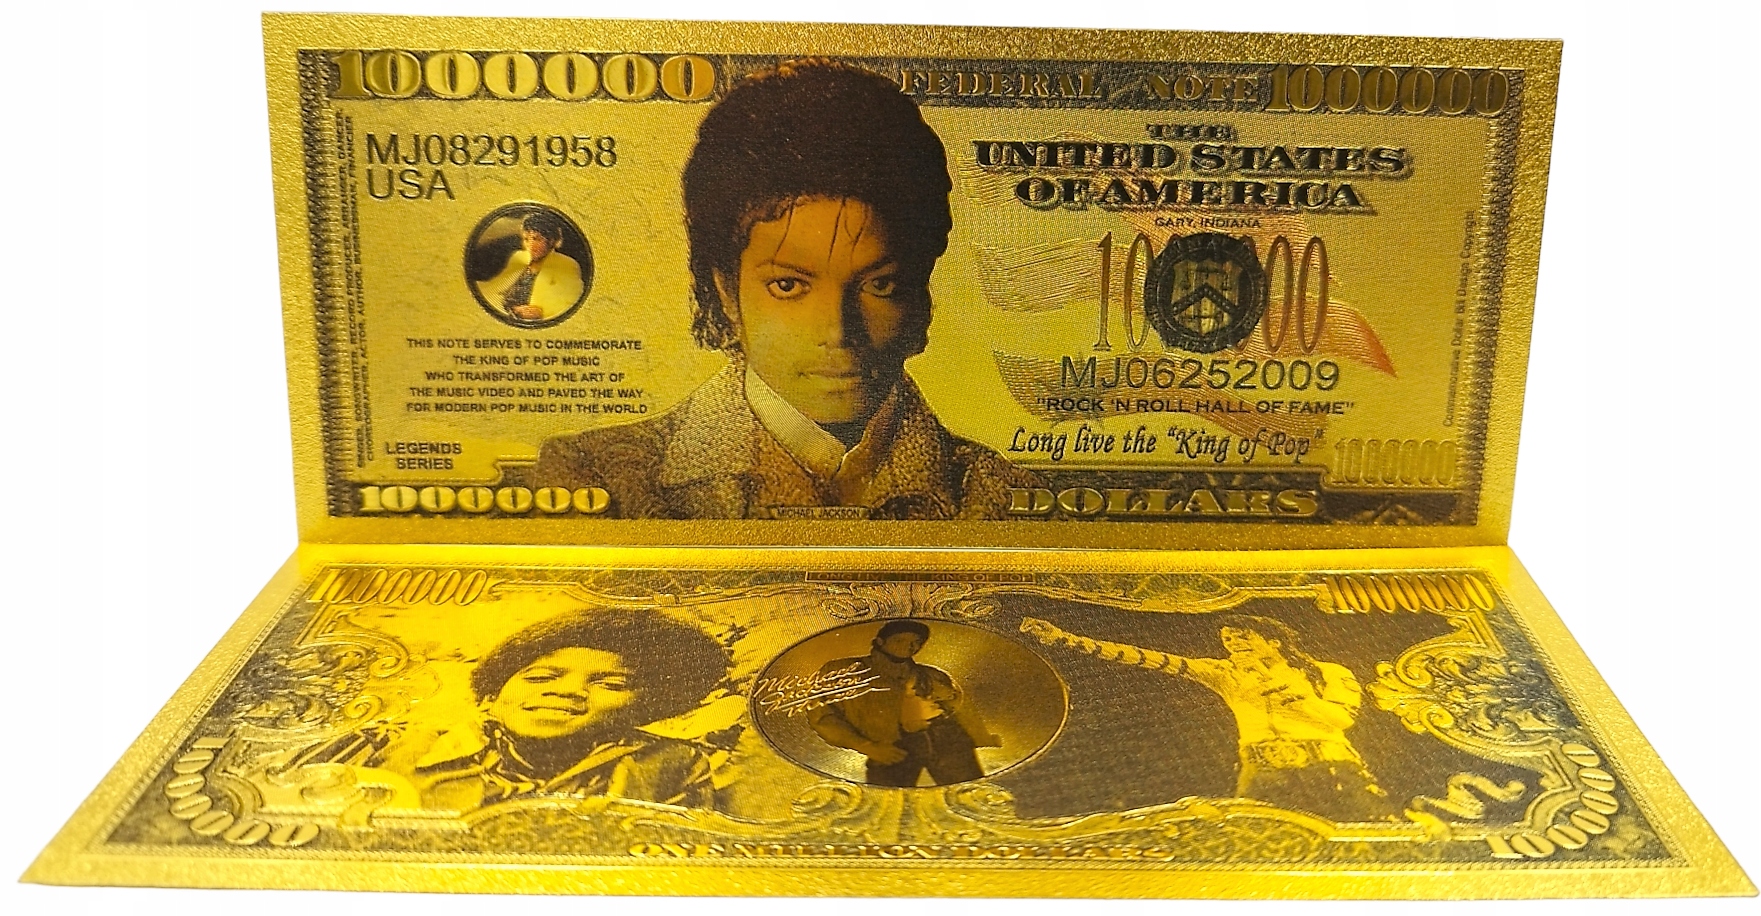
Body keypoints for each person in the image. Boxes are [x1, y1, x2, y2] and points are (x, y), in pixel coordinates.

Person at [532, 60, 1039, 519]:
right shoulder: (593, 477)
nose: (838, 332)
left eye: (879, 284)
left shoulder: (1006, 495)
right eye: (789, 285)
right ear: (725, 291)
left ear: (920, 292)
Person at [326, 610, 732, 812]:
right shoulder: (381, 745)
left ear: (639, 710)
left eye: (610, 684)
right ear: (492, 696)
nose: (568, 691)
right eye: (540, 677)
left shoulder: (674, 764)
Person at [1020, 613, 1395, 821]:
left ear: (1274, 641)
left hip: (1331, 765)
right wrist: (1066, 638)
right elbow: (1148, 658)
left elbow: (1340, 720)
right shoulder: (1224, 672)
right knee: (1253, 843)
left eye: (1243, 637)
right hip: (1263, 770)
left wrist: (1290, 694)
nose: (1233, 644)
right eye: (1229, 640)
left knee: (1371, 830)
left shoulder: (1327, 672)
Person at [806, 620, 999, 787]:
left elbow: (962, 708)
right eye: (899, 640)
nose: (909, 647)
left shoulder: (932, 674)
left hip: (947, 739)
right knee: (886, 804)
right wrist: (867, 746)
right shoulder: (843, 671)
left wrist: (980, 736)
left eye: (916, 642)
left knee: (970, 796)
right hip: (892, 745)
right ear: (880, 641)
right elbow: (822, 716)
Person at [480, 211, 584, 322]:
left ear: (551, 241)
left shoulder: (567, 264)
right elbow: (498, 286)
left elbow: (573, 303)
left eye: (536, 239)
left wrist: (543, 313)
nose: (530, 245)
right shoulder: (518, 256)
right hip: (502, 314)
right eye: (526, 239)